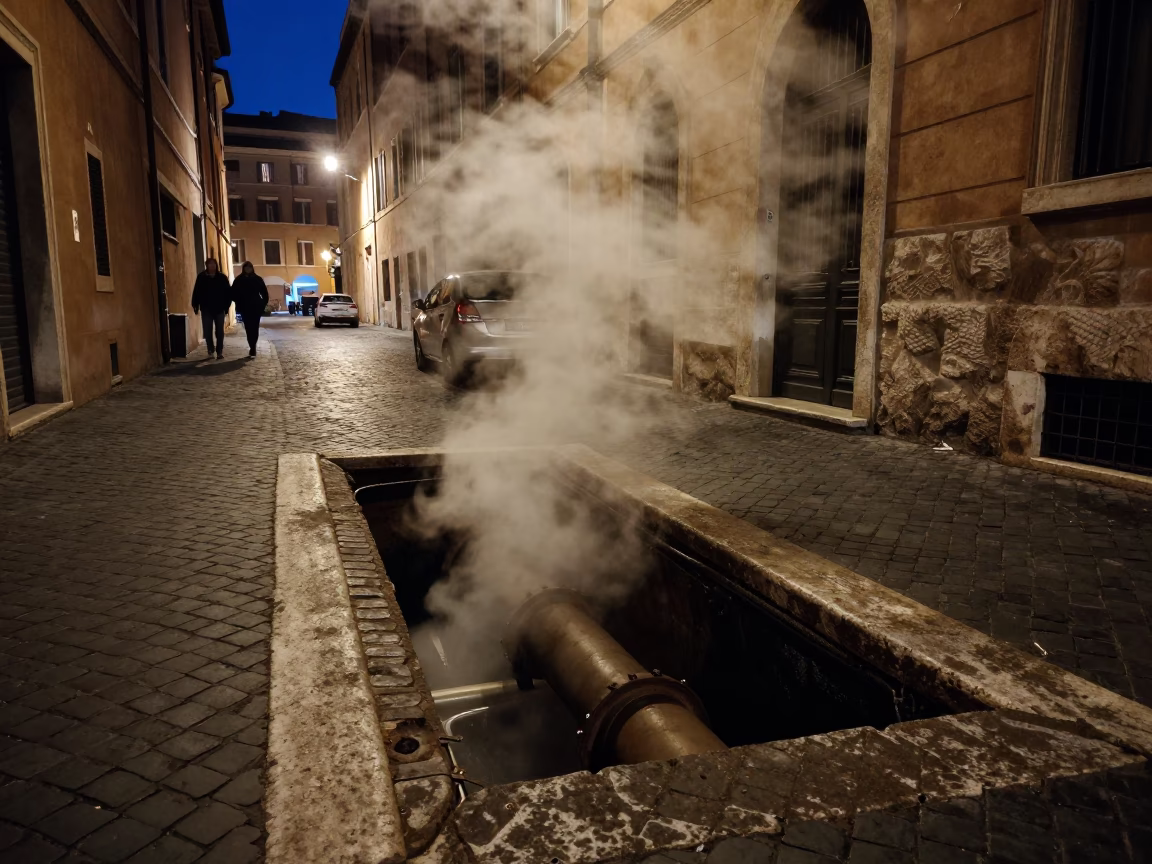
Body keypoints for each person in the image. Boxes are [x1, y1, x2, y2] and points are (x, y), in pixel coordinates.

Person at [191, 257, 232, 359]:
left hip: (219, 308)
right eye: (210, 264)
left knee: (219, 331)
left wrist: (226, 306)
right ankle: (210, 349)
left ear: (216, 265)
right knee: (207, 331)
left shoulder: (222, 278)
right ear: (207, 265)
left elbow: (228, 293)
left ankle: (219, 351)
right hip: (206, 309)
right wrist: (195, 304)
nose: (212, 266)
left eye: (214, 264)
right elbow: (196, 291)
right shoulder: (201, 277)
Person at [232, 261, 270, 358]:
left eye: (249, 267)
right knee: (248, 328)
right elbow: (233, 293)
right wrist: (239, 301)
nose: (248, 269)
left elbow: (264, 293)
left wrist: (262, 304)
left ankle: (253, 347)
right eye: (246, 267)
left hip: (256, 307)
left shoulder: (258, 279)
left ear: (252, 268)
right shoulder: (239, 279)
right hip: (245, 307)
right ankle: (252, 345)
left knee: (255, 327)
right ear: (244, 268)